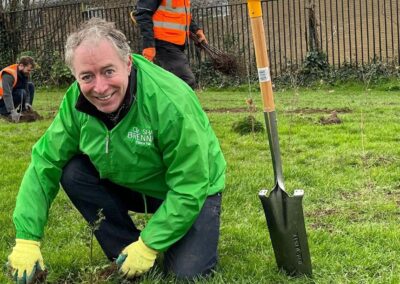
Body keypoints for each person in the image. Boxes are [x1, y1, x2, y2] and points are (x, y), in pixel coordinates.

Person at [6, 18, 226, 283]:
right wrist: (26, 238)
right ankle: (125, 248)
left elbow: (191, 183)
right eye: (87, 76)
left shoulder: (170, 103)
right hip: (131, 181)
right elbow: (44, 163)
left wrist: (150, 243)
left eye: (108, 71)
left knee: (186, 275)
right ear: (75, 77)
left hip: (194, 188)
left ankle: (145, 247)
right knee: (73, 171)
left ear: (128, 63)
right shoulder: (75, 103)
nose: (100, 88)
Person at [134, 0, 207, 89]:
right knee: (186, 80)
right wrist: (149, 45)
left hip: (177, 44)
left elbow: (182, 15)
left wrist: (196, 30)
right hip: (163, 42)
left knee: (175, 82)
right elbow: (143, 14)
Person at [0, 56, 35, 122]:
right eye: (28, 70)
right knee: (21, 92)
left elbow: (27, 89)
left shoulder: (24, 73)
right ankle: (4, 112)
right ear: (21, 66)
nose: (29, 72)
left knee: (30, 86)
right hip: (2, 100)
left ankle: (25, 110)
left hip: (8, 97)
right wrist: (12, 111)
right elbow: (7, 94)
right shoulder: (8, 74)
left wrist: (27, 103)